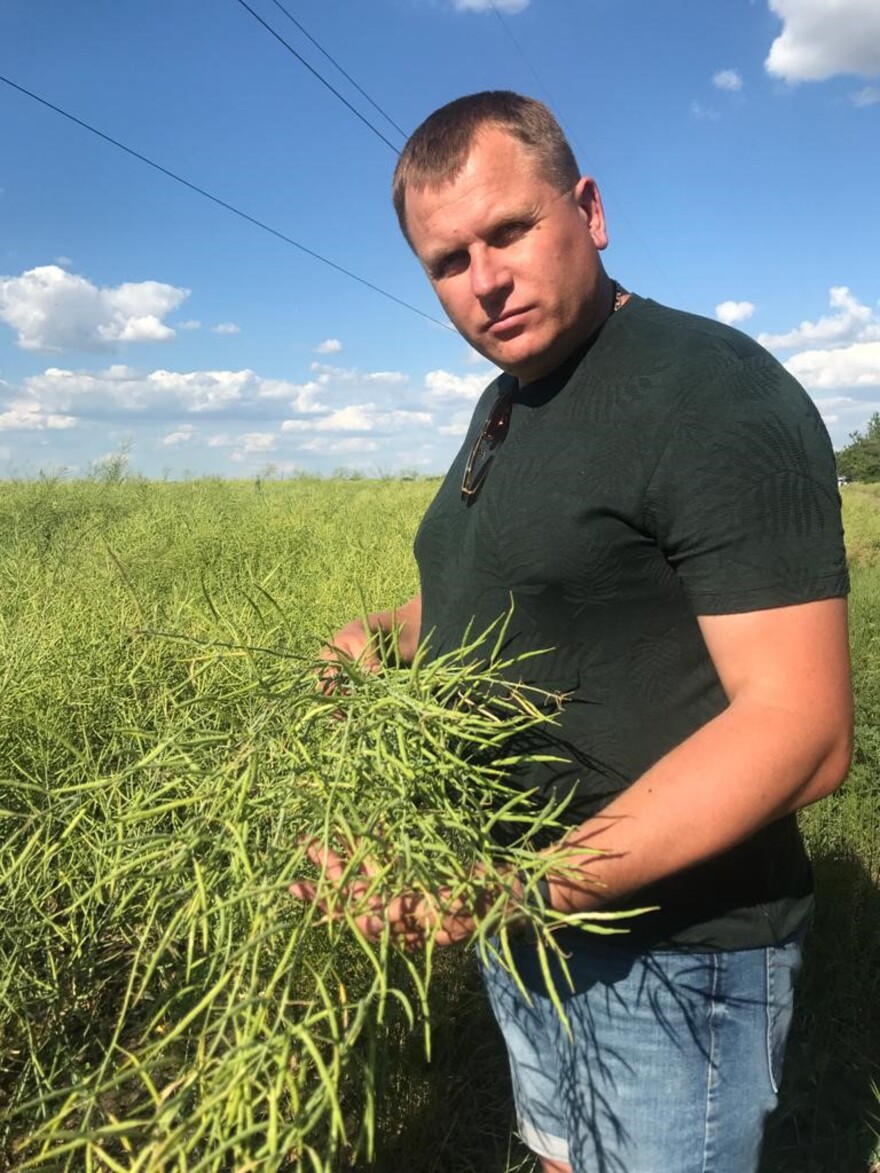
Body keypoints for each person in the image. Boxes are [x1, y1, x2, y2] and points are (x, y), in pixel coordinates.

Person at [291, 91, 852, 1173]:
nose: (484, 279)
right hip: (526, 915)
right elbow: (511, 585)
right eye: (447, 262)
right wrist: (376, 637)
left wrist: (504, 889)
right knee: (557, 1153)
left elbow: (802, 729)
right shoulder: (509, 397)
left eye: (508, 231)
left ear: (586, 210)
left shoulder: (712, 398)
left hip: (671, 952)